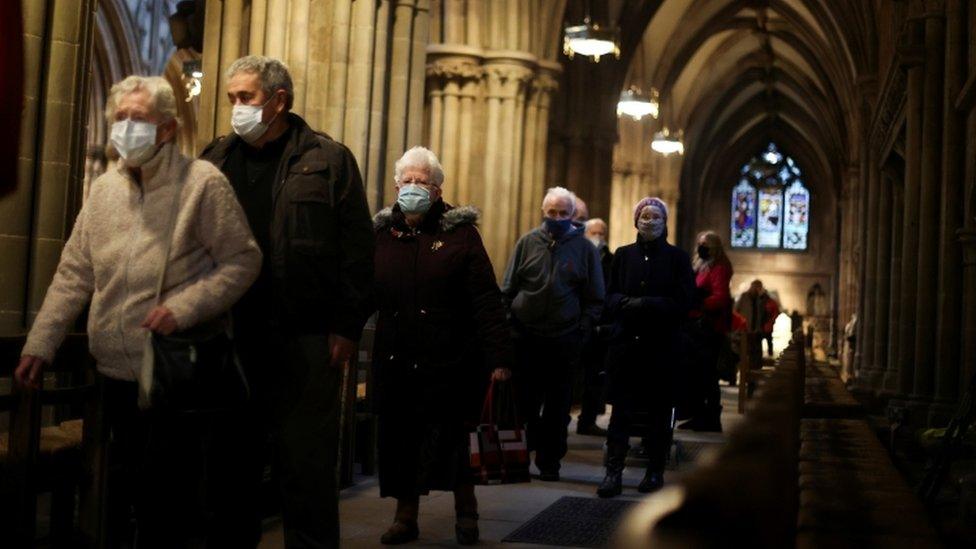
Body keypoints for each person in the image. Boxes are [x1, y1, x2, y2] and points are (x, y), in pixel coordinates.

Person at [16, 75, 262, 547]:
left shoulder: (202, 184)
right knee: (117, 493)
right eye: (120, 118)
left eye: (140, 119)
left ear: (167, 129)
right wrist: (40, 343)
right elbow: (74, 273)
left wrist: (183, 307)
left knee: (169, 504)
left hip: (176, 372)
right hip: (113, 372)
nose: (127, 127)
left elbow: (243, 259)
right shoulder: (105, 191)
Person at [200, 55, 375, 548]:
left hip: (304, 339)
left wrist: (345, 326)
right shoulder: (213, 158)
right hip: (229, 338)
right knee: (229, 468)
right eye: (232, 98)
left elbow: (358, 251)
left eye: (246, 98)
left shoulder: (328, 159)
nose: (236, 107)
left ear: (279, 100)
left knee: (306, 468)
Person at [371, 147, 514, 545]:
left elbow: (486, 298)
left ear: (436, 191)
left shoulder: (460, 234)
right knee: (402, 442)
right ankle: (405, 516)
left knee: (453, 443)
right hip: (398, 356)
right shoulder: (383, 233)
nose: (413, 187)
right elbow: (363, 290)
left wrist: (499, 356)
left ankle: (466, 513)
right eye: (407, 181)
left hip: (449, 359)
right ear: (396, 185)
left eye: (422, 182)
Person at [501, 187, 604, 481]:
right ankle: (519, 459)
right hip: (526, 336)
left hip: (564, 338)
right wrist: (510, 323)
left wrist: (583, 328)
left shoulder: (585, 249)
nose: (557, 218)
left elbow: (595, 296)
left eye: (563, 213)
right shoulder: (527, 243)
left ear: (572, 216)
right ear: (543, 213)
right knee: (524, 404)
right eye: (551, 213)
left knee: (558, 408)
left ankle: (550, 462)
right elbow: (508, 287)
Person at [596, 197, 695, 498]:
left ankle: (654, 471)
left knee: (658, 413)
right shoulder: (624, 255)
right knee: (621, 413)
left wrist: (647, 304)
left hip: (662, 348)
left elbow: (684, 301)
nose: (649, 221)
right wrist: (625, 303)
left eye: (655, 216)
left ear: (664, 222)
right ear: (636, 220)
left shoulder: (677, 258)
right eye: (645, 215)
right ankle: (613, 472)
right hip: (626, 346)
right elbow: (609, 296)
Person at [681, 231, 733, 432]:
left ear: (715, 247)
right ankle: (698, 415)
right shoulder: (702, 265)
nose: (702, 247)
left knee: (708, 374)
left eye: (706, 245)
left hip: (709, 329)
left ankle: (711, 418)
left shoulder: (719, 267)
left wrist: (699, 303)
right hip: (696, 326)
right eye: (700, 243)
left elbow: (721, 298)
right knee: (698, 374)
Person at [577, 218, 613, 436]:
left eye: (601, 233)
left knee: (594, 377)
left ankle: (587, 419)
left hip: (599, 327)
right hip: (578, 322)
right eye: (594, 232)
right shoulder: (578, 253)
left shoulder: (611, 258)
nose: (598, 237)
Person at [735, 280, 777, 359]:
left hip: (757, 330)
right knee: (745, 352)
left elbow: (768, 311)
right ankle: (745, 369)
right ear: (751, 287)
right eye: (755, 287)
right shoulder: (744, 297)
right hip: (746, 329)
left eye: (759, 287)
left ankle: (756, 367)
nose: (757, 289)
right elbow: (736, 310)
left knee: (757, 353)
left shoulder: (762, 298)